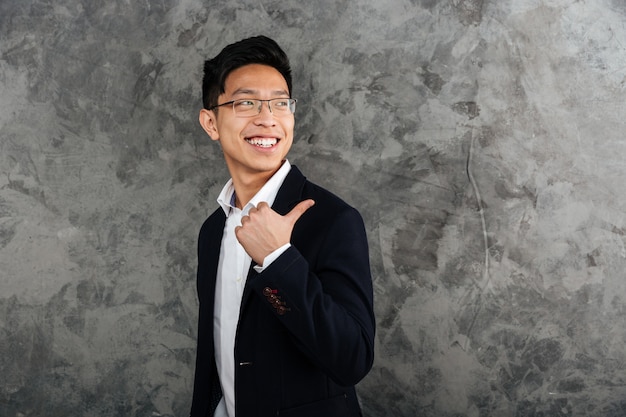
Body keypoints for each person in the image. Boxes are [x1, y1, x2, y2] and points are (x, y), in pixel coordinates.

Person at [190, 35, 375, 417]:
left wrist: (278, 261)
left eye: (280, 103)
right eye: (246, 102)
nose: (267, 117)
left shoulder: (333, 220)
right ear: (211, 122)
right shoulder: (213, 230)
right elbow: (217, 361)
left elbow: (352, 360)